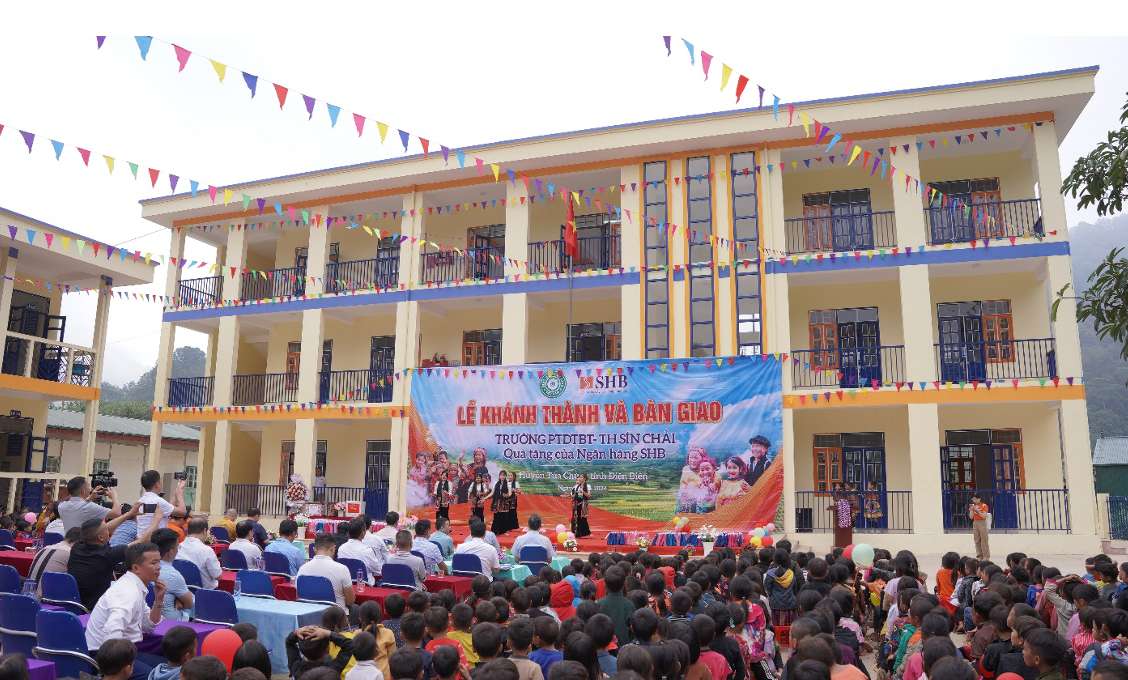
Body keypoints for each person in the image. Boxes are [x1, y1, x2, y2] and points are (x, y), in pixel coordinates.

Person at [84, 542, 167, 680]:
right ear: (136, 568)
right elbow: (112, 631)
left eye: (159, 562)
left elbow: (148, 626)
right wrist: (119, 669)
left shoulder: (135, 585)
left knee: (167, 667)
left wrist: (159, 600)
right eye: (153, 563)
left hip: (125, 650)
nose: (158, 567)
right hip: (107, 656)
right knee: (158, 675)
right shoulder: (128, 592)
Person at [69, 504, 156, 611]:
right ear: (101, 537)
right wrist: (156, 519)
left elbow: (99, 531)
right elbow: (142, 541)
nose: (110, 530)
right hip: (95, 606)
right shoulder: (108, 555)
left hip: (77, 601)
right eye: (106, 530)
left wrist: (129, 514)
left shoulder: (77, 547)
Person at [297, 532, 355, 611]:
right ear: (333, 549)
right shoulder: (342, 569)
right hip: (335, 615)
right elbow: (350, 601)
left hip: (308, 613)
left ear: (314, 549)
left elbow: (299, 595)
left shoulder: (302, 569)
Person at [152, 528, 194, 622]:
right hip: (171, 623)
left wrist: (178, 598)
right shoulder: (172, 575)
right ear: (171, 552)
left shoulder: (144, 568)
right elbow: (189, 604)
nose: (178, 550)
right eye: (177, 547)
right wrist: (180, 599)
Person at [285, 626, 356, 679]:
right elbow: (349, 645)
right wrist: (328, 633)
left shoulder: (297, 669)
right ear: (328, 648)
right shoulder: (333, 668)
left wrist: (295, 633)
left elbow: (289, 642)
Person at [28, 526, 80, 596]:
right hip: (47, 599)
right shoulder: (71, 553)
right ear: (79, 542)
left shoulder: (44, 549)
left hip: (28, 594)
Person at [135, 469, 186, 536]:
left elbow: (167, 508)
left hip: (142, 538)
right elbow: (182, 512)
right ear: (157, 484)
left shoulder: (142, 500)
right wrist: (180, 493)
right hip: (154, 540)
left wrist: (177, 489)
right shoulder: (158, 501)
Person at [177, 519, 223, 590]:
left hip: (182, 590)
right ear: (204, 531)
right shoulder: (206, 550)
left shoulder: (177, 548)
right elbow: (218, 576)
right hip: (205, 592)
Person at [339, 517, 384, 585]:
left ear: (348, 533)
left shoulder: (341, 548)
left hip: (346, 583)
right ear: (363, 533)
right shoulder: (367, 550)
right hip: (365, 585)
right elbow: (378, 570)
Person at [490, 470, 519, 535]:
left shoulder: (509, 483)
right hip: (497, 502)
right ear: (499, 476)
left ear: (505, 476)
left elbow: (510, 493)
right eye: (501, 475)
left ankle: (503, 530)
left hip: (505, 502)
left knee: (504, 516)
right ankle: (495, 531)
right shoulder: (496, 483)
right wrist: (485, 498)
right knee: (496, 516)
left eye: (504, 475)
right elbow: (492, 493)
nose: (502, 476)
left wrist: (506, 495)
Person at [832, 484, 855, 549]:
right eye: (836, 486)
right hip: (838, 509)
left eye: (838, 486)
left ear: (840, 487)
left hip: (845, 508)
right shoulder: (834, 493)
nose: (836, 487)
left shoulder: (844, 492)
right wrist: (837, 503)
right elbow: (835, 500)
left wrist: (841, 502)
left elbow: (847, 500)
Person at [970, 494, 991, 561]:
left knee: (984, 540)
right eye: (973, 499)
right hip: (975, 523)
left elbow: (984, 516)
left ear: (979, 499)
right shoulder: (973, 506)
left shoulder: (984, 505)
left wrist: (977, 511)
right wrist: (971, 510)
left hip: (982, 523)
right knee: (977, 540)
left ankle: (986, 556)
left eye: (975, 499)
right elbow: (971, 517)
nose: (974, 500)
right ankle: (979, 556)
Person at [570, 474, 591, 539]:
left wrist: (583, 491)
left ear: (584, 479)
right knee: (576, 518)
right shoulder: (577, 486)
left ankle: (584, 533)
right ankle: (577, 533)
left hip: (583, 504)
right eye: (579, 477)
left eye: (581, 477)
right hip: (577, 504)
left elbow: (588, 496)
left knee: (583, 518)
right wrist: (569, 496)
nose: (580, 478)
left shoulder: (587, 486)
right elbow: (576, 495)